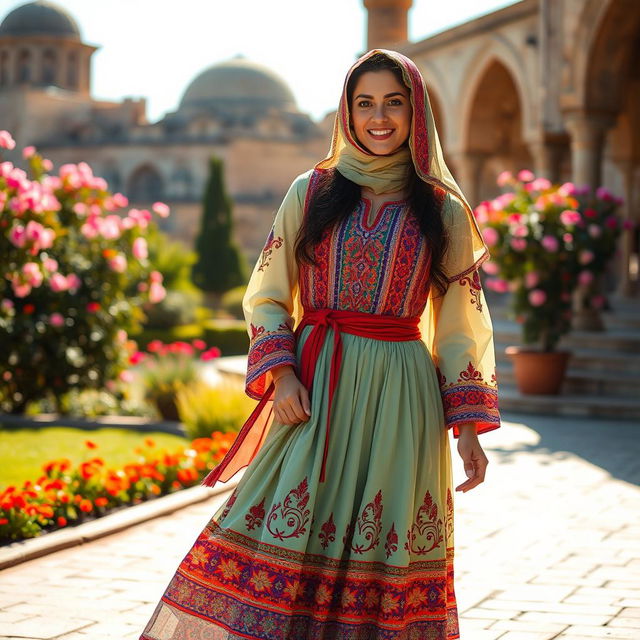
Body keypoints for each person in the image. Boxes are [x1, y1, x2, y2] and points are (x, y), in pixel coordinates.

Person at [139, 48, 500, 640]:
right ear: (347, 113)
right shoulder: (311, 192)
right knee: (272, 524)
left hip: (402, 396)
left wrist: (466, 434)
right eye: (365, 104)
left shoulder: (443, 210)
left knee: (383, 546)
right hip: (314, 387)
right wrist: (282, 375)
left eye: (393, 103)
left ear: (417, 114)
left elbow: (462, 326)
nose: (378, 118)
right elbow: (267, 296)